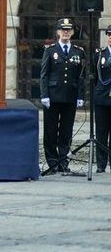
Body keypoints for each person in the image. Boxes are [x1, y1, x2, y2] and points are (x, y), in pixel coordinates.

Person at [40, 18, 85, 174]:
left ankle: (63, 161)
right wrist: (44, 95)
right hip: (52, 97)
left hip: (70, 96)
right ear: (58, 32)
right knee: (51, 131)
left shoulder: (78, 51)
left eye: (68, 30)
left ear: (72, 32)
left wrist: (80, 95)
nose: (65, 32)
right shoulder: (50, 50)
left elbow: (81, 76)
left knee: (66, 131)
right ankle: (52, 162)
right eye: (62, 30)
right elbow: (44, 75)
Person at [94, 25, 111, 173]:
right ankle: (101, 164)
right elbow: (95, 76)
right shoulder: (100, 54)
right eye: (110, 35)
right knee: (101, 132)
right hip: (102, 98)